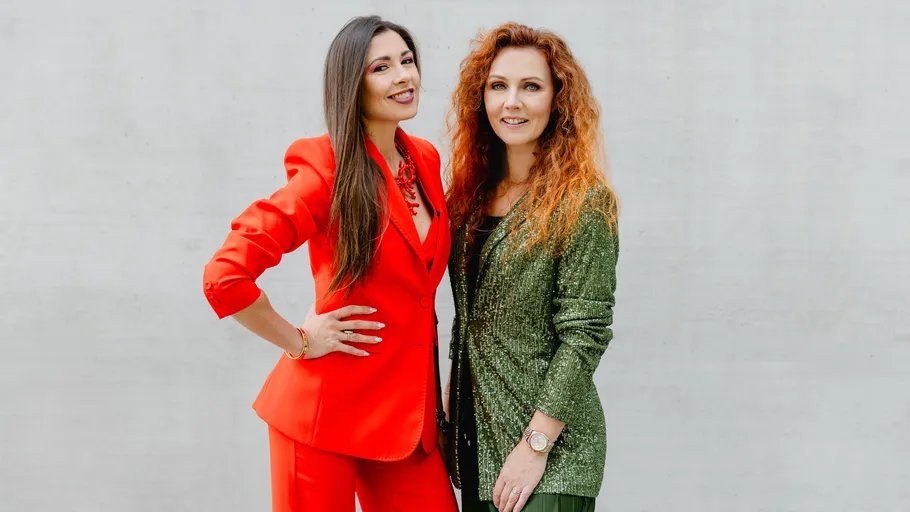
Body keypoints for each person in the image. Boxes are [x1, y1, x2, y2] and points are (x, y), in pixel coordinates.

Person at [201, 16, 457, 512]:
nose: (403, 76)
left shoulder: (423, 159)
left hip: (406, 423)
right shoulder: (326, 168)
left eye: (407, 61)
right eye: (381, 67)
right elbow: (225, 275)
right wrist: (298, 341)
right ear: (351, 85)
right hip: (321, 418)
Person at [443, 22, 620, 512]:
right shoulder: (467, 199)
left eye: (531, 87)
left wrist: (535, 445)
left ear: (557, 99)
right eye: (498, 86)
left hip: (552, 450)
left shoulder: (584, 202)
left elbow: (584, 334)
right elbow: (470, 321)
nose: (511, 102)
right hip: (477, 440)